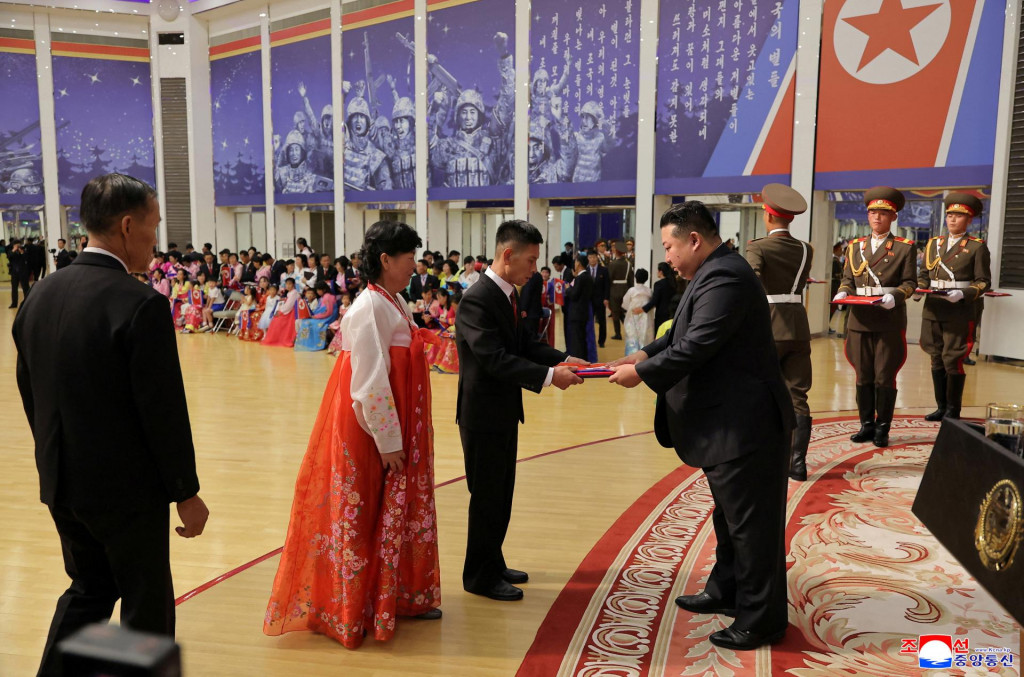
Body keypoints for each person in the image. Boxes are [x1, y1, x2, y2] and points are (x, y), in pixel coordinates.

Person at [12, 173, 208, 677]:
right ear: (126, 225)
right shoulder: (140, 304)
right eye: (152, 226)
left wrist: (55, 461)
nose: (155, 240)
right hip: (125, 492)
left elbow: (30, 392)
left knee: (90, 589)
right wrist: (185, 490)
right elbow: (162, 410)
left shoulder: (39, 296)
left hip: (61, 483)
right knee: (146, 606)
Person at [608, 201, 793, 652]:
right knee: (729, 517)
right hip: (727, 423)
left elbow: (698, 344)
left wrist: (644, 373)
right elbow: (678, 332)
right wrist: (645, 353)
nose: (667, 255)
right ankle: (726, 589)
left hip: (745, 425)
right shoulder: (709, 272)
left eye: (670, 246)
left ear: (694, 240)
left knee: (752, 526)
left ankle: (761, 618)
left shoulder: (725, 275)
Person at [265, 220, 441, 649]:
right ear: (386, 260)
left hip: (389, 424)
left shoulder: (391, 299)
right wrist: (389, 441)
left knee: (386, 511)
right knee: (362, 511)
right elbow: (369, 383)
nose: (414, 267)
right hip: (366, 429)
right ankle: (352, 607)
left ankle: (389, 596)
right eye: (408, 258)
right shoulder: (368, 307)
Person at [455, 220, 585, 602]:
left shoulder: (506, 294)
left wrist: (563, 358)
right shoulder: (477, 299)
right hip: (482, 416)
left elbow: (523, 344)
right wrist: (550, 376)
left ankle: (492, 562)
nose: (534, 270)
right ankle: (479, 575)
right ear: (507, 255)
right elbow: (496, 359)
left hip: (502, 411)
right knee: (487, 497)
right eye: (530, 261)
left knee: (500, 493)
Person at [832, 187, 917, 448]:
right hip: (860, 318)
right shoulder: (855, 246)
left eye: (883, 213)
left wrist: (897, 296)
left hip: (888, 318)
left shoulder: (904, 248)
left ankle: (883, 427)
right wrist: (843, 292)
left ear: (893, 217)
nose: (876, 218)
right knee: (863, 375)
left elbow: (910, 282)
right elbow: (848, 279)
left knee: (884, 376)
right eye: (872, 213)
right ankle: (866, 424)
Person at [745, 183, 814, 481]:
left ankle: (762, 454)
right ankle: (797, 463)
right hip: (798, 324)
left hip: (769, 325)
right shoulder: (805, 249)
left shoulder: (757, 246)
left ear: (768, 216)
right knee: (798, 393)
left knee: (760, 391)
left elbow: (751, 282)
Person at [916, 192, 991, 420]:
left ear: (969, 220)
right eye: (950, 215)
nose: (952, 220)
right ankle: (941, 407)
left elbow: (984, 282)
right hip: (934, 307)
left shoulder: (977, 247)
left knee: (953, 358)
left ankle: (952, 410)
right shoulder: (933, 244)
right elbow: (924, 274)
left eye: (959, 216)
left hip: (960, 309)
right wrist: (919, 287)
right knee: (936, 356)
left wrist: (963, 293)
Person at [565, 254, 594, 360]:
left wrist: (568, 289)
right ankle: (584, 358)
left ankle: (578, 360)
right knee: (582, 338)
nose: (574, 263)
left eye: (576, 261)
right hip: (584, 312)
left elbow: (574, 295)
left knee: (577, 340)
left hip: (576, 313)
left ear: (579, 263)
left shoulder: (580, 278)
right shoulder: (588, 277)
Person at [295, 281, 338, 351]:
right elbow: (320, 309)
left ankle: (311, 343)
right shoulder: (323, 297)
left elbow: (328, 312)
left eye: (318, 290)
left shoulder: (328, 297)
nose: (317, 292)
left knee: (308, 322)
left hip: (329, 317)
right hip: (324, 316)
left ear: (323, 289)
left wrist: (315, 317)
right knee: (305, 320)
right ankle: (307, 342)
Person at [606, 239, 635, 340]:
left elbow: (609, 279)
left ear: (616, 251)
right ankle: (629, 330)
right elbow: (631, 280)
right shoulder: (628, 264)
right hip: (625, 290)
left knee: (615, 313)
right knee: (623, 312)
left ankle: (618, 333)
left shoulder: (612, 264)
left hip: (614, 290)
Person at [622, 268, 653, 355]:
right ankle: (644, 356)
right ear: (646, 278)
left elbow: (625, 303)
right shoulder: (649, 291)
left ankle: (631, 355)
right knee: (644, 337)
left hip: (632, 316)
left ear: (635, 277)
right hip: (645, 318)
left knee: (632, 337)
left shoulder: (631, 290)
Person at [262, 277, 300, 347]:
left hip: (291, 313)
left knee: (277, 320)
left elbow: (289, 305)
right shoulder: (290, 292)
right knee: (275, 319)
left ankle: (278, 339)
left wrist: (280, 311)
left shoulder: (294, 293)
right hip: (288, 310)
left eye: (290, 284)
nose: (288, 286)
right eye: (286, 284)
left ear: (293, 284)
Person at [643, 262, 677, 330]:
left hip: (661, 314)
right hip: (672, 312)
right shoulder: (673, 283)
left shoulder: (658, 284)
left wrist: (643, 309)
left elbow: (654, 301)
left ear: (660, 272)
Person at [586, 249, 610, 347]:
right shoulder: (585, 271)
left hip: (600, 300)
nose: (592, 259)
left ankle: (601, 341)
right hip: (588, 300)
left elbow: (607, 285)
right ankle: (590, 340)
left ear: (597, 258)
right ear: (588, 258)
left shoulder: (603, 270)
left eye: (594, 257)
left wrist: (606, 298)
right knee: (589, 321)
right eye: (590, 257)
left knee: (602, 322)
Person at [7, 239, 30, 307]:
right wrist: (14, 250)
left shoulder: (23, 250)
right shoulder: (10, 251)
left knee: (25, 288)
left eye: (18, 245)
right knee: (14, 288)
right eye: (16, 245)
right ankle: (14, 303)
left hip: (23, 272)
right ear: (13, 245)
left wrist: (22, 252)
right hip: (14, 273)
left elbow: (26, 259)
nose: (17, 246)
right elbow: (9, 257)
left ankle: (27, 302)